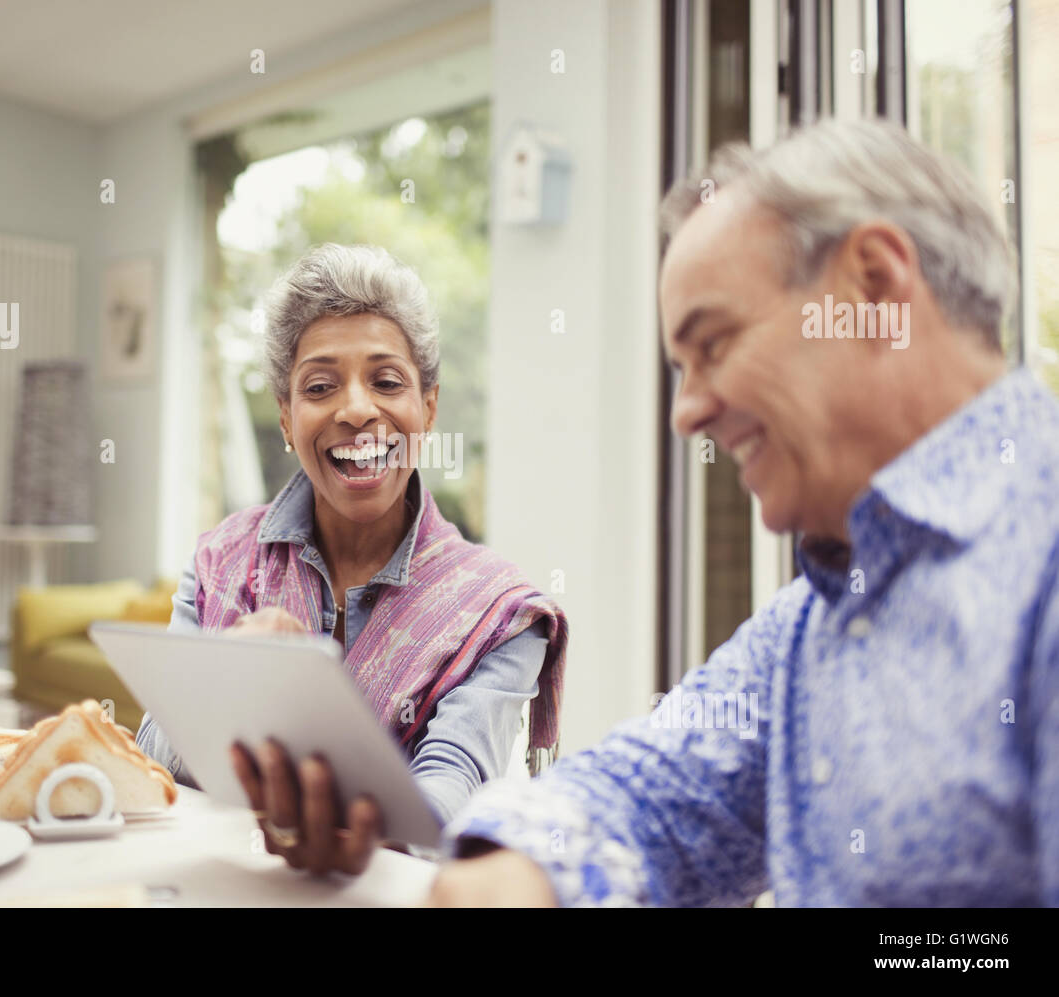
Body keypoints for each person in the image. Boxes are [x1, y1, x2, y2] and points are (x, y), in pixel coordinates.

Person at [428, 118, 1059, 906]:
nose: (686, 413)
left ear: (874, 286)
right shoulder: (812, 622)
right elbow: (651, 797)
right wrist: (515, 875)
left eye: (714, 344)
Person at [135, 243, 568, 877]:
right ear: (287, 418)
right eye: (319, 386)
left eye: (387, 381)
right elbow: (157, 751)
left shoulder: (501, 612)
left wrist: (341, 812)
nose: (357, 409)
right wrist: (232, 676)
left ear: (428, 408)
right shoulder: (220, 560)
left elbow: (446, 801)